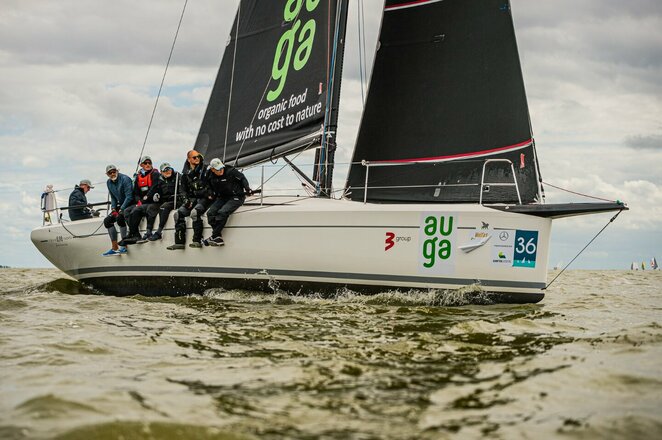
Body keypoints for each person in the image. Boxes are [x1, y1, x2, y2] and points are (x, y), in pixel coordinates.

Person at [203, 158, 253, 246]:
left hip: (236, 196)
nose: (221, 170)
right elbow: (207, 186)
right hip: (223, 197)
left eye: (221, 168)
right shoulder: (210, 175)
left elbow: (242, 178)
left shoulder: (230, 171)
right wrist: (210, 193)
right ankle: (217, 237)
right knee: (210, 213)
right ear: (212, 169)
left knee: (222, 212)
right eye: (218, 169)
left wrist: (247, 188)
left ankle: (214, 236)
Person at [167, 150, 210, 250]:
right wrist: (186, 200)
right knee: (177, 214)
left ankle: (197, 240)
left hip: (204, 198)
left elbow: (210, 186)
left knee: (194, 213)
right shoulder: (185, 173)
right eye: (194, 157)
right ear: (189, 159)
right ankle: (179, 242)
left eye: (198, 157)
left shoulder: (205, 169)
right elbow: (183, 190)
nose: (197, 159)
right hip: (192, 199)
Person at [122, 155, 160, 244]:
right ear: (141, 165)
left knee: (136, 210)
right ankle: (134, 233)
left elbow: (154, 189)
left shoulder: (155, 174)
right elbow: (135, 192)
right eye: (145, 163)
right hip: (142, 202)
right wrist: (138, 200)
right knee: (126, 211)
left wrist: (142, 201)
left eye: (149, 163)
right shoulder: (138, 177)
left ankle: (135, 235)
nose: (148, 164)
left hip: (152, 201)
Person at [102, 164, 134, 256]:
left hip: (130, 204)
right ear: (107, 174)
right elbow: (113, 197)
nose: (112, 174)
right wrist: (113, 208)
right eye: (110, 173)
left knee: (120, 218)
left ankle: (124, 246)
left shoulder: (125, 179)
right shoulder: (108, 182)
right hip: (120, 206)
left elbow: (129, 197)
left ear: (117, 171)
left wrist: (121, 209)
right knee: (107, 221)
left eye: (114, 171)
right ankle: (114, 247)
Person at [147, 162, 181, 241]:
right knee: (151, 207)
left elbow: (182, 190)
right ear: (161, 172)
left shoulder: (177, 177)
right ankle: (148, 231)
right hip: (165, 200)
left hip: (176, 200)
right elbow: (157, 190)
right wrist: (156, 195)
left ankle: (159, 232)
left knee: (163, 207)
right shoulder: (160, 180)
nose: (168, 171)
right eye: (165, 170)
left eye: (169, 169)